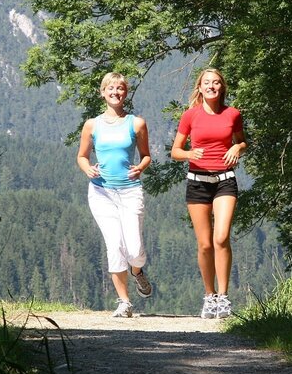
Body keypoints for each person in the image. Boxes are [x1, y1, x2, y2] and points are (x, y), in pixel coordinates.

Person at [170, 68, 247, 319]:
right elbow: (175, 151)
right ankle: (209, 296)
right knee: (204, 244)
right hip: (197, 182)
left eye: (216, 83)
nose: (211, 86)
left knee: (221, 237)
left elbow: (242, 141)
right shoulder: (190, 116)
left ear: (222, 87)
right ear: (200, 88)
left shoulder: (232, 114)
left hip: (225, 180)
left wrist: (237, 147)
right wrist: (190, 154)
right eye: (207, 83)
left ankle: (224, 298)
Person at [77, 72, 153, 318]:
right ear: (102, 92)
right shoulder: (92, 124)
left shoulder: (136, 123)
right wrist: (87, 167)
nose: (115, 92)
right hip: (101, 191)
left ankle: (138, 271)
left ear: (125, 93)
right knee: (114, 245)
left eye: (120, 88)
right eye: (110, 88)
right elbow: (82, 156)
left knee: (134, 249)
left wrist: (140, 168)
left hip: (130, 191)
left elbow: (146, 155)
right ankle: (124, 302)